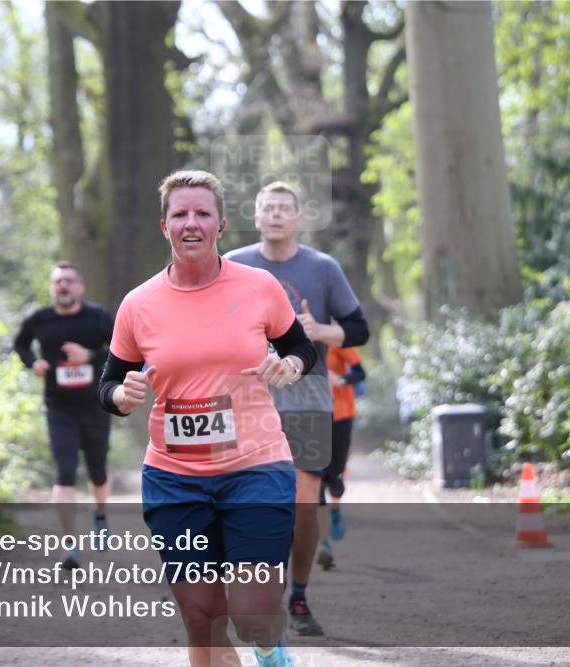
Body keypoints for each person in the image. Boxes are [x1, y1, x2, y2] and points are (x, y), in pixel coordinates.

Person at [98, 170, 316, 667]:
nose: (190, 223)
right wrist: (122, 394)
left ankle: (270, 649)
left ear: (220, 225)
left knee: (255, 612)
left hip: (256, 468)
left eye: (202, 214)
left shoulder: (260, 286)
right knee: (202, 617)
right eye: (180, 214)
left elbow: (299, 346)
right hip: (175, 481)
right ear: (165, 226)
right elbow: (109, 384)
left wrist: (290, 364)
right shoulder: (138, 304)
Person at [225, 181, 369, 637]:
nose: (276, 214)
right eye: (268, 207)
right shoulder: (233, 265)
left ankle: (299, 597)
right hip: (245, 400)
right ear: (256, 215)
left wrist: (318, 331)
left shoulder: (322, 268)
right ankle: (256, 591)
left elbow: (358, 328)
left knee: (304, 503)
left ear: (298, 217)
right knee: (250, 504)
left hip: (307, 398)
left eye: (284, 208)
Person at [14, 262, 114, 569]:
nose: (63, 286)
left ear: (80, 287)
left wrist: (91, 356)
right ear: (51, 288)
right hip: (59, 407)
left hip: (95, 405)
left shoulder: (98, 318)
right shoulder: (39, 320)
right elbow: (20, 344)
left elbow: (123, 351)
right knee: (65, 470)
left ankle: (99, 514)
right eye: (58, 282)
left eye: (69, 281)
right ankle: (70, 544)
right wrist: (33, 362)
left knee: (97, 470)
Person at [316, 346, 366, 571]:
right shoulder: (296, 339)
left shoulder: (338, 341)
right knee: (315, 480)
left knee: (336, 480)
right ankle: (324, 543)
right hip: (312, 416)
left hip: (342, 414)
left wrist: (340, 379)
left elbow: (360, 373)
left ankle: (335, 508)